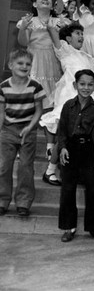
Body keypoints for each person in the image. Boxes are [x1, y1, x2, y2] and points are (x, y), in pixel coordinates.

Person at [40, 22, 94, 186]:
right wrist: (52, 24)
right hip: (69, 94)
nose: (81, 37)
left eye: (82, 34)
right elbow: (53, 32)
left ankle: (80, 170)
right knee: (67, 134)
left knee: (84, 135)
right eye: (77, 33)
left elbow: (92, 79)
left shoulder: (88, 57)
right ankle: (50, 170)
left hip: (87, 96)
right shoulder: (64, 50)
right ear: (68, 38)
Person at [58, 69, 94, 243]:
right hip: (70, 150)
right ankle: (68, 227)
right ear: (75, 85)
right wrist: (63, 147)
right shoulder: (67, 106)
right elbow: (62, 130)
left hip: (88, 151)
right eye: (82, 84)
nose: (86, 88)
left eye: (90, 84)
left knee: (93, 188)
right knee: (68, 189)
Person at [0, 49, 45, 216]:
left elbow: (39, 111)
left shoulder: (35, 86)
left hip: (28, 129)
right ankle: (2, 200)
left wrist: (30, 127)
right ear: (11, 65)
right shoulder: (4, 87)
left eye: (28, 64)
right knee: (4, 166)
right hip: (8, 130)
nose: (24, 66)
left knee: (26, 167)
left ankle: (23, 202)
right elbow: (1, 112)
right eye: (20, 63)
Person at [17, 0, 64, 110]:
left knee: (52, 86)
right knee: (34, 83)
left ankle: (48, 115)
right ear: (34, 4)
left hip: (52, 57)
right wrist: (23, 28)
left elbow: (61, 42)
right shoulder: (30, 21)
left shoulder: (58, 21)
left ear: (53, 5)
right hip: (34, 57)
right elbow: (23, 42)